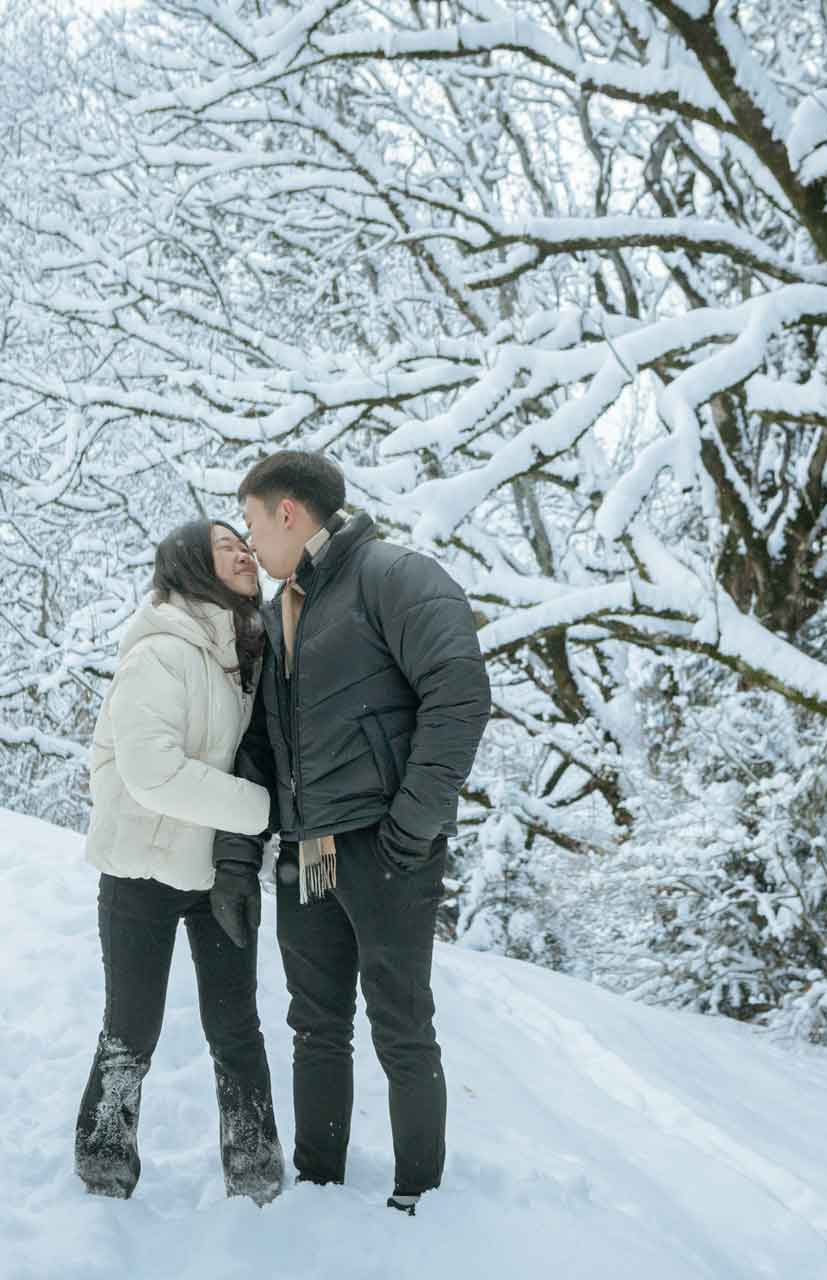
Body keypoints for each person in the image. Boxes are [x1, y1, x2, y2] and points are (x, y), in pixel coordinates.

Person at [210, 451, 492, 1217]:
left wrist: (412, 826)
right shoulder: (275, 618)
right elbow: (259, 753)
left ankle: (417, 1197)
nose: (249, 541)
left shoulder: (394, 577)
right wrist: (238, 862)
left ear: (289, 513)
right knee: (316, 1025)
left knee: (400, 1023)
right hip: (310, 853)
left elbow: (459, 692)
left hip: (383, 845)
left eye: (252, 521)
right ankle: (320, 1188)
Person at [75, 520, 284, 1203]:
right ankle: (104, 1163)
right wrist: (262, 811)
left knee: (237, 1026)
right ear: (191, 565)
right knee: (131, 1026)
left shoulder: (244, 653)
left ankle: (254, 1170)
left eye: (245, 545)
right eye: (226, 547)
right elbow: (152, 772)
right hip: (140, 868)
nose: (244, 553)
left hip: (214, 872)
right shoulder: (161, 652)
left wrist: (239, 853)